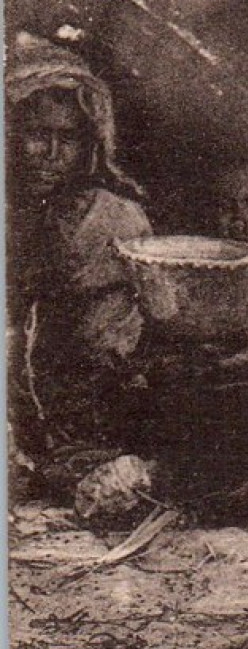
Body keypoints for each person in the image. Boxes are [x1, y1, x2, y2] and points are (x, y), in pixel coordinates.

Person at [6, 33, 152, 460]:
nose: (50, 153)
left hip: (79, 415)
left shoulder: (111, 220)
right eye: (36, 134)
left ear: (89, 145)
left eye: (67, 138)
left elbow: (117, 340)